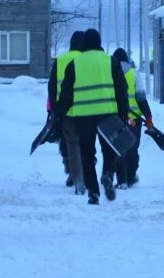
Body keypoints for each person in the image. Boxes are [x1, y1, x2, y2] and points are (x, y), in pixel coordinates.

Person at [53, 29, 129, 205]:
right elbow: (121, 89)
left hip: (83, 116)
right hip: (108, 114)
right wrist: (123, 112)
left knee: (87, 154)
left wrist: (58, 115)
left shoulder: (74, 63)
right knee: (109, 149)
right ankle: (108, 174)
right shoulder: (111, 61)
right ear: (99, 42)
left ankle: (93, 193)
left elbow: (66, 94)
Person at [48, 31, 85, 193]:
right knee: (87, 145)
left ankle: (76, 176)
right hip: (88, 110)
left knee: (71, 144)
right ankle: (84, 175)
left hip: (66, 111)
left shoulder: (60, 61)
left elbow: (52, 86)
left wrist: (55, 109)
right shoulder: (87, 61)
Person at [111, 48, 153, 189]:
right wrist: (148, 116)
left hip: (116, 118)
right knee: (132, 148)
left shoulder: (110, 74)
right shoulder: (134, 74)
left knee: (119, 149)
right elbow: (141, 98)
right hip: (134, 120)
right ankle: (130, 176)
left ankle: (122, 181)